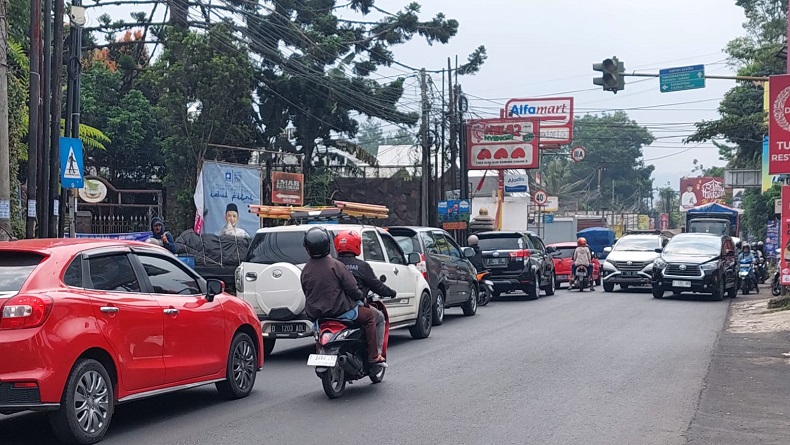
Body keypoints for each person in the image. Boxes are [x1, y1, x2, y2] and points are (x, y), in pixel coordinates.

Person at [300, 227, 385, 365]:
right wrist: (360, 298)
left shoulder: (306, 269)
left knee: (317, 332)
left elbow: (306, 290)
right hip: (341, 311)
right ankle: (374, 356)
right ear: (328, 244)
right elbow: (352, 288)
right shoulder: (335, 265)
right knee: (371, 317)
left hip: (317, 315)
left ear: (307, 248)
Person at [334, 230, 395, 357]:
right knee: (379, 318)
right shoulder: (362, 266)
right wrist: (391, 292)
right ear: (356, 245)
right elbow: (377, 286)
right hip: (354, 307)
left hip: (332, 307)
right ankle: (376, 354)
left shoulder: (333, 264)